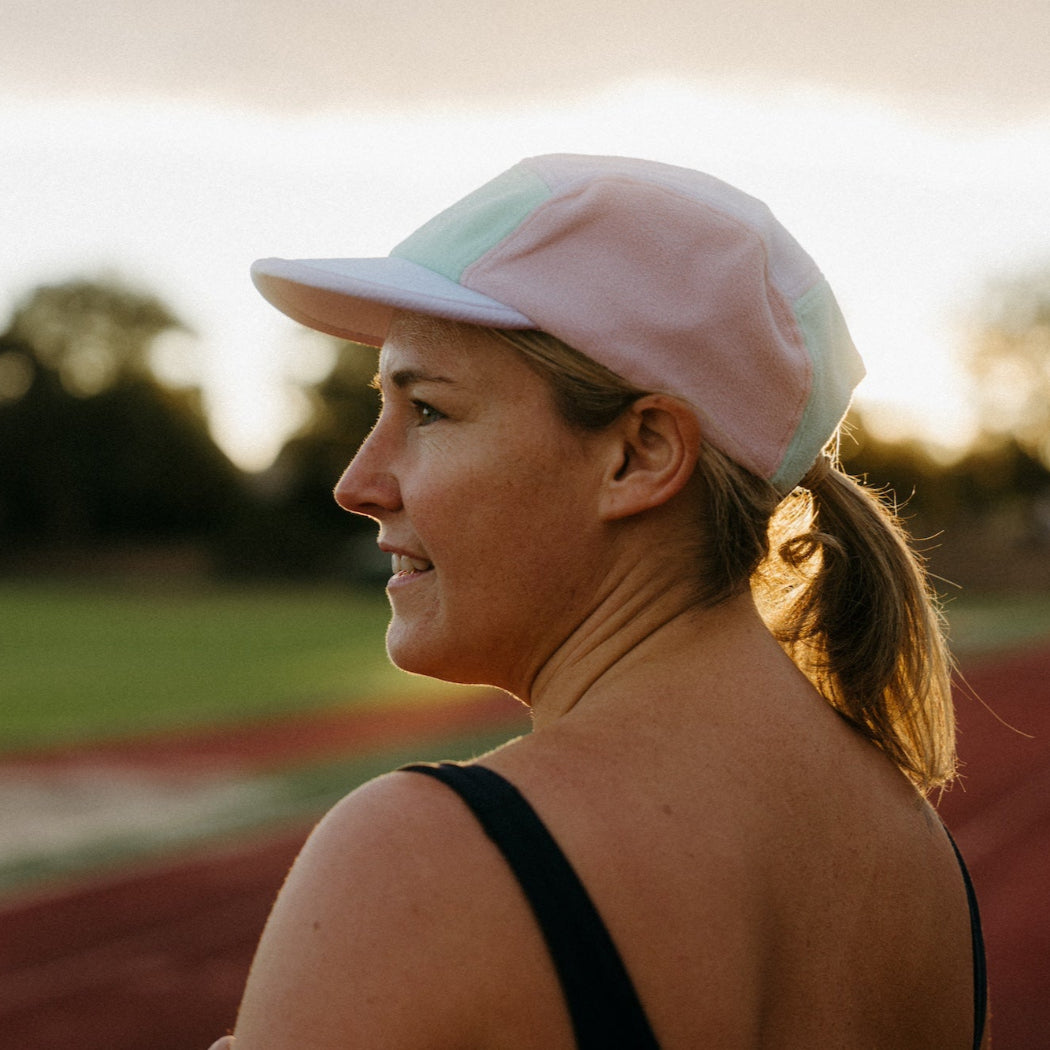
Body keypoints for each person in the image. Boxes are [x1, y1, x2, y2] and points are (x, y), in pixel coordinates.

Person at [212, 154, 987, 1049]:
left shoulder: (427, 860)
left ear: (640, 454)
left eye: (427, 410)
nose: (357, 483)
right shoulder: (918, 855)